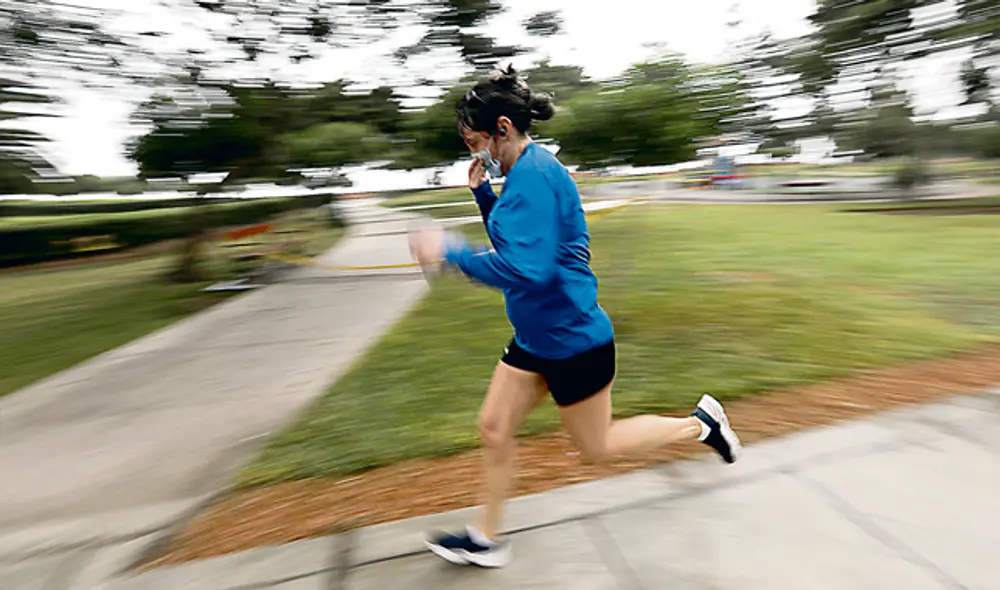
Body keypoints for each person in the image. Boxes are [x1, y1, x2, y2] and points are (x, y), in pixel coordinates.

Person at [408, 66, 741, 569]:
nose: (475, 151)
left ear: (502, 127)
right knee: (493, 427)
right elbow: (518, 242)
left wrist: (450, 251)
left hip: (573, 341)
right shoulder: (522, 174)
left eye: (476, 140)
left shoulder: (537, 175)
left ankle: (701, 425)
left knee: (598, 447)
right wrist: (481, 196)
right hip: (534, 338)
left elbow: (528, 270)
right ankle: (486, 538)